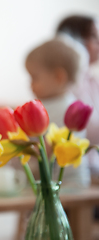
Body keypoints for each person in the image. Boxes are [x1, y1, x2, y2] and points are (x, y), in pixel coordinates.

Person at [25, 38, 91, 189]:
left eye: (34, 77)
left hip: (70, 184)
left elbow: (48, 149)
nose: (30, 84)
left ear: (58, 77)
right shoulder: (47, 105)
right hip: (51, 181)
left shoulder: (68, 109)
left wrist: (21, 148)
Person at [56, 15, 99, 177]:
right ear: (74, 41)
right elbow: (83, 130)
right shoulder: (66, 85)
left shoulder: (94, 81)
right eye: (94, 36)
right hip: (77, 168)